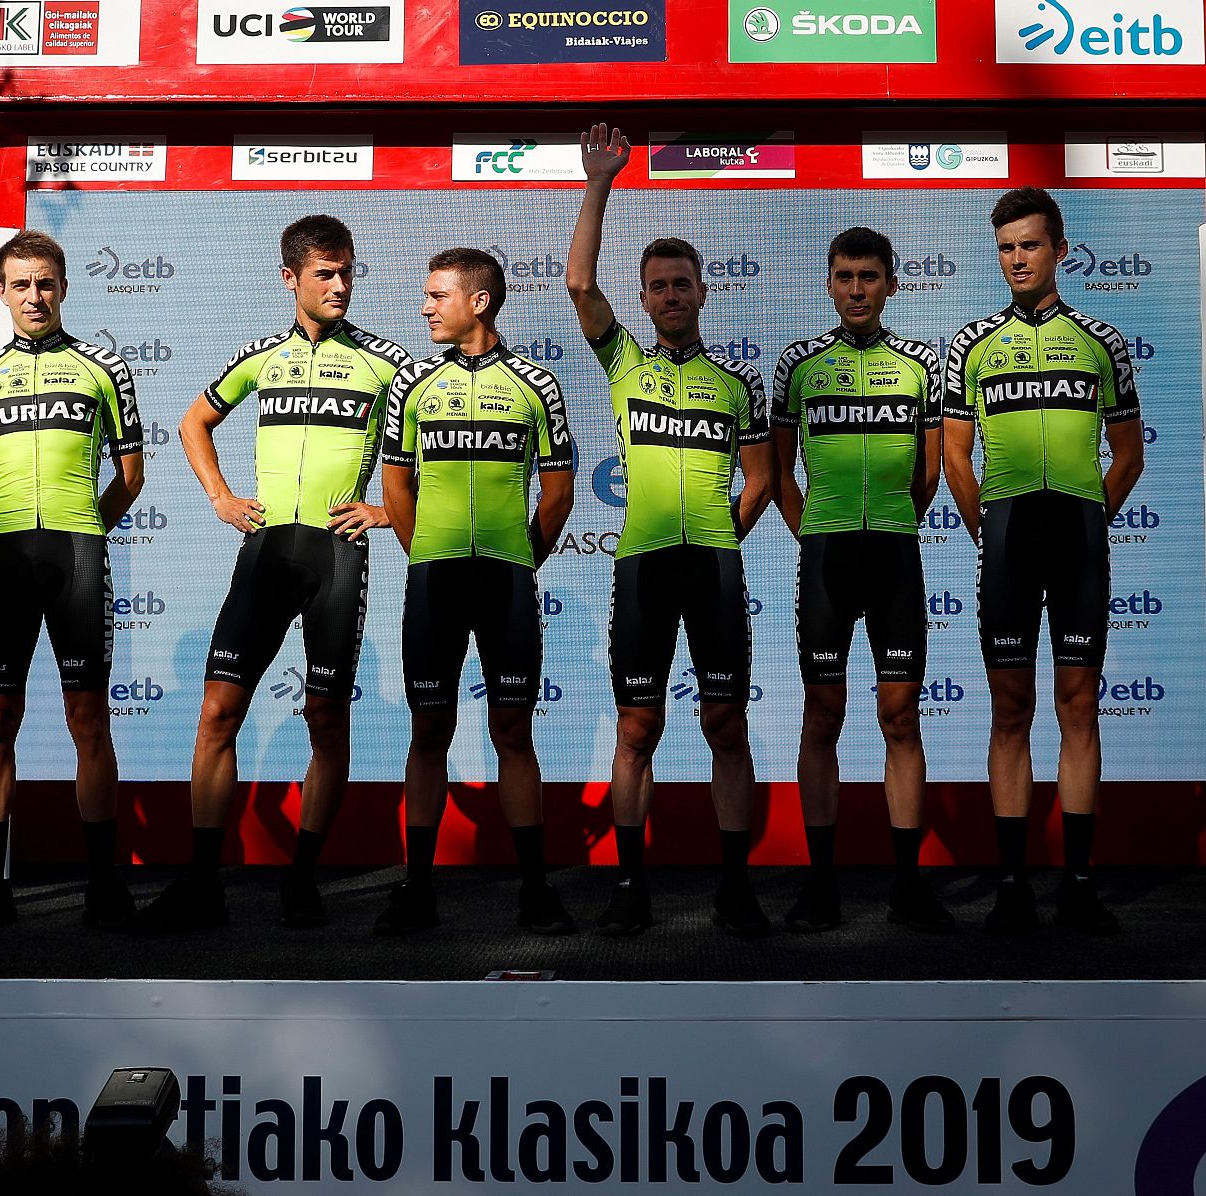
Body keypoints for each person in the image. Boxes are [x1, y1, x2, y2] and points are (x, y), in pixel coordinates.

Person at [135, 215, 410, 931]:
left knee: (325, 717)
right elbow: (192, 422)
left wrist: (386, 512)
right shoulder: (262, 357)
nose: (341, 285)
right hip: (263, 553)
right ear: (290, 278)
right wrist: (220, 498)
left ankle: (303, 878)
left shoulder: (388, 362)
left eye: (348, 271)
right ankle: (201, 883)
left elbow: (439, 450)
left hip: (334, 557)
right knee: (216, 714)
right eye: (325, 273)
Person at [565, 123, 775, 938]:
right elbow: (581, 285)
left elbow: (760, 479)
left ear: (701, 293)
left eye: (682, 283)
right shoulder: (624, 362)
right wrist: (600, 182)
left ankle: (736, 884)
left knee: (726, 724)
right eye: (658, 286)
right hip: (642, 568)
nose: (671, 295)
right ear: (646, 299)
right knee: (636, 726)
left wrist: (724, 534)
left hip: (714, 570)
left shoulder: (737, 382)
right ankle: (628, 885)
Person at [943, 186, 1143, 935]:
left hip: (1078, 539)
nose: (1017, 259)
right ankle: (1011, 883)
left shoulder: (1103, 339)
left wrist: (1090, 520)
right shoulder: (971, 343)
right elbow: (955, 456)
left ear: (1061, 248)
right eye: (1005, 247)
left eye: (1030, 244)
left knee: (1079, 706)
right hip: (1008, 538)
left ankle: (1081, 882)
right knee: (1009, 709)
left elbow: (1127, 455)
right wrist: (986, 531)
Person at [0, 230, 145, 931]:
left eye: (46, 283)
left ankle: (101, 882)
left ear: (63, 287)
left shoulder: (103, 367)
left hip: (77, 555)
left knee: (89, 719)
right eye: (21, 284)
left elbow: (130, 476)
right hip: (2, 560)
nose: (34, 295)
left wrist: (85, 530)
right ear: (1, 291)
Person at [372, 247, 576, 936]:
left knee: (513, 730)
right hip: (433, 578)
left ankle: (534, 888)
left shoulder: (536, 384)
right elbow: (395, 486)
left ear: (479, 301)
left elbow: (558, 491)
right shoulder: (411, 384)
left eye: (438, 296)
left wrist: (522, 561)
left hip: (506, 580)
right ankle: (417, 887)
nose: (426, 308)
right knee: (428, 728)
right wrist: (424, 553)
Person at [772, 226, 953, 934]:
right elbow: (781, 472)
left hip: (895, 558)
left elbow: (929, 470)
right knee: (823, 717)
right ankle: (821, 886)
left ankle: (908, 885)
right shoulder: (798, 364)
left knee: (901, 718)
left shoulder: (918, 364)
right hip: (826, 558)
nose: (855, 289)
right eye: (844, 276)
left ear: (890, 285)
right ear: (828, 283)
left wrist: (896, 524)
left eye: (869, 277)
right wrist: (814, 534)